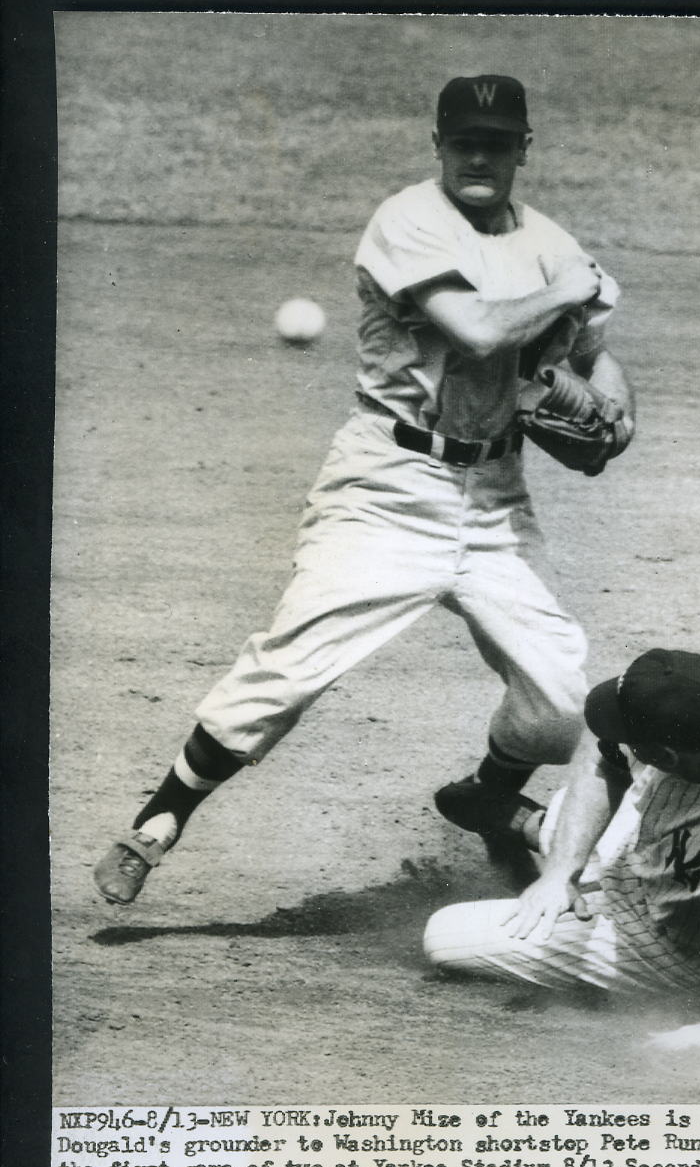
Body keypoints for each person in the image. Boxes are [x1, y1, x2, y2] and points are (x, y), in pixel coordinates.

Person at [94, 74, 633, 905]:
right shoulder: (409, 222)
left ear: (524, 148)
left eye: (498, 142)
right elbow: (484, 328)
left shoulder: (552, 244)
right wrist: (566, 289)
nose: (480, 156)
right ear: (439, 146)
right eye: (465, 142)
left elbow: (593, 351)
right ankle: (161, 818)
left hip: (494, 495)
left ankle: (490, 795)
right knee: (294, 662)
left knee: (562, 693)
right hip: (388, 486)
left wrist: (617, 407)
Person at [423, 649, 700, 1053]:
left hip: (683, 948)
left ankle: (538, 829)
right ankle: (543, 832)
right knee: (596, 836)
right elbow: (603, 745)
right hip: (662, 842)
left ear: (665, 754)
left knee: (442, 936)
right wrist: (559, 873)